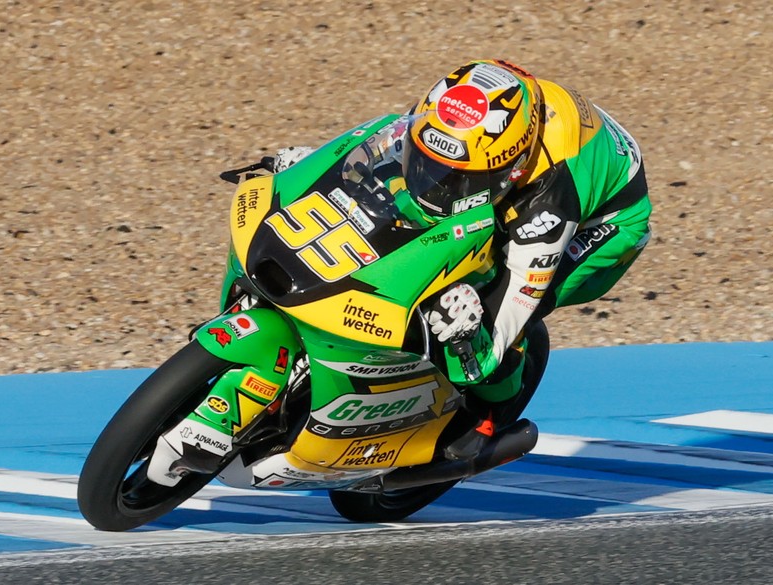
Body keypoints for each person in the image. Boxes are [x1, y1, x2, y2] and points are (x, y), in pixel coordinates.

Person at [272, 59, 652, 459]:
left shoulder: (549, 200)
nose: (437, 185)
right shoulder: (450, 115)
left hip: (604, 222)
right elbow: (384, 148)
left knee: (489, 313)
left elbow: (517, 298)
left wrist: (475, 329)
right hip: (523, 159)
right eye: (430, 165)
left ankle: (488, 417)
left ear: (514, 170)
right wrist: (317, 166)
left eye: (461, 178)